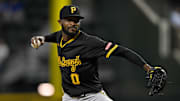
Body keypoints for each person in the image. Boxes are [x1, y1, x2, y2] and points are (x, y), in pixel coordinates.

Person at [31, 5, 166, 101]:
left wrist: (148, 68)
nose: (73, 23)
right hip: (68, 98)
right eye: (69, 20)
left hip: (92, 97)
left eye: (76, 20)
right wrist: (43, 38)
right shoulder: (60, 37)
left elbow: (122, 51)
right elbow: (55, 36)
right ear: (60, 22)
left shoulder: (90, 42)